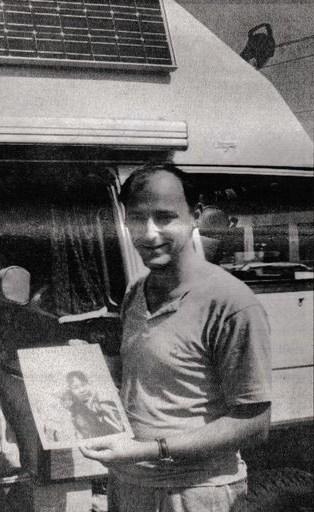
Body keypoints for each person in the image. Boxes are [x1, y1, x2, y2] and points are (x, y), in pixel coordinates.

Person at [80, 163, 272, 512]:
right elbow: (149, 381)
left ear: (194, 216)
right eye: (137, 218)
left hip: (196, 494)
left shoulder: (231, 303)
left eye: (165, 217)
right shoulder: (136, 292)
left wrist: (152, 450)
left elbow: (254, 424)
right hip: (130, 487)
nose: (150, 233)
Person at [65, 370, 125, 440]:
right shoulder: (75, 415)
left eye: (84, 384)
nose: (82, 390)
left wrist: (110, 414)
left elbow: (122, 429)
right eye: (75, 388)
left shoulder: (109, 405)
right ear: (70, 391)